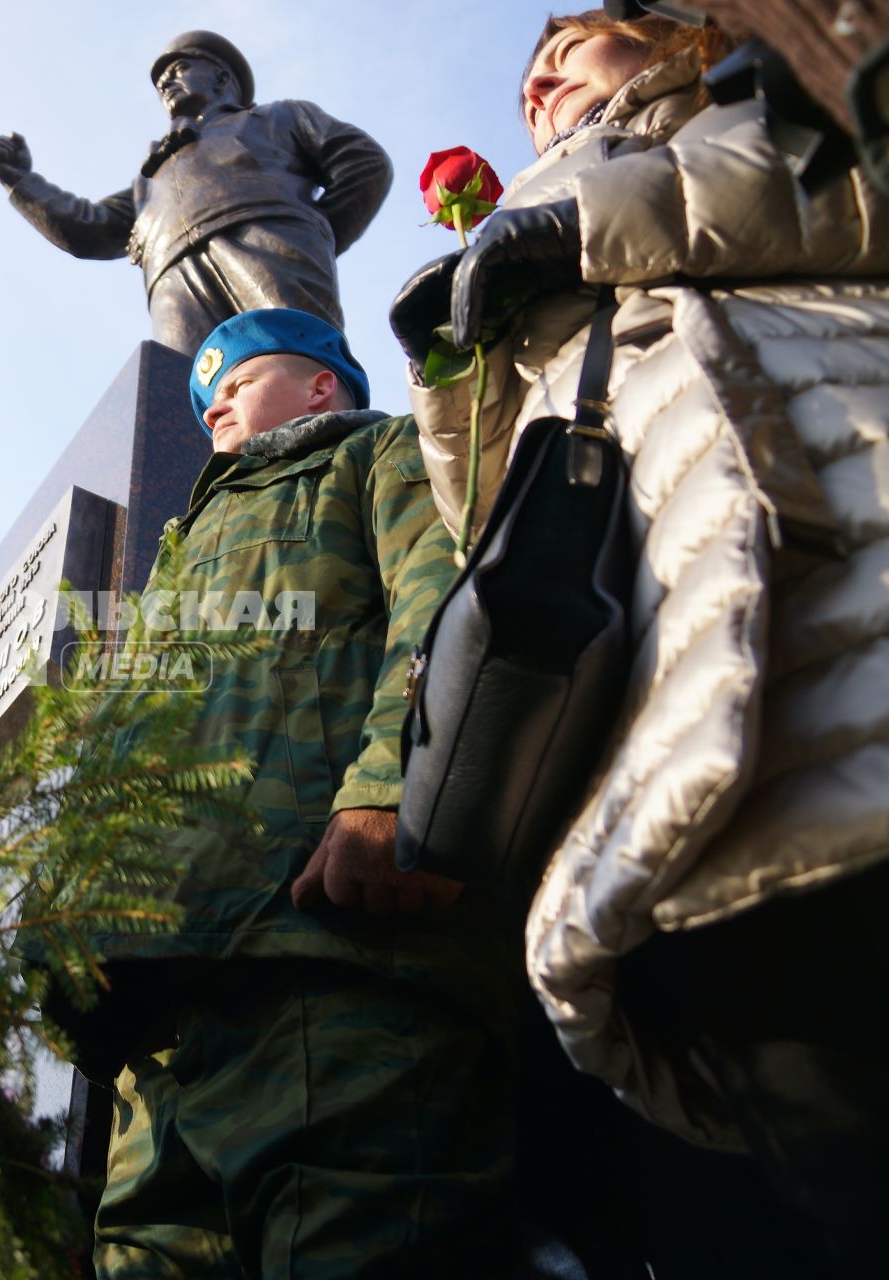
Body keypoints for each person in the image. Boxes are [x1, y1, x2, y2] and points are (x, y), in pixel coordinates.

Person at [389, 10, 889, 1273]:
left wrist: (584, 223)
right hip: (668, 718)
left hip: (847, 503)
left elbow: (854, 194)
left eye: (571, 45)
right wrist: (450, 372)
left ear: (663, 38)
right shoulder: (525, 240)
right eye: (521, 79)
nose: (538, 81)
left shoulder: (742, 97)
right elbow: (488, 520)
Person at [78, 309, 519, 1277]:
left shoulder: (380, 454)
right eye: (202, 397)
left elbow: (441, 600)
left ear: (323, 385)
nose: (213, 401)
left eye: (238, 378)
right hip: (168, 1021)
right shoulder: (181, 548)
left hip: (336, 963)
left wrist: (393, 792)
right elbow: (122, 745)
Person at [0, 30, 391, 349]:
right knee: (189, 406)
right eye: (161, 81)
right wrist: (21, 181)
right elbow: (90, 228)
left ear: (220, 76)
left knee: (295, 365)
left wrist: (313, 231)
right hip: (173, 278)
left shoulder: (278, 117)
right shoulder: (151, 174)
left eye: (178, 69)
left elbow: (364, 164)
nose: (166, 83)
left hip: (266, 245)